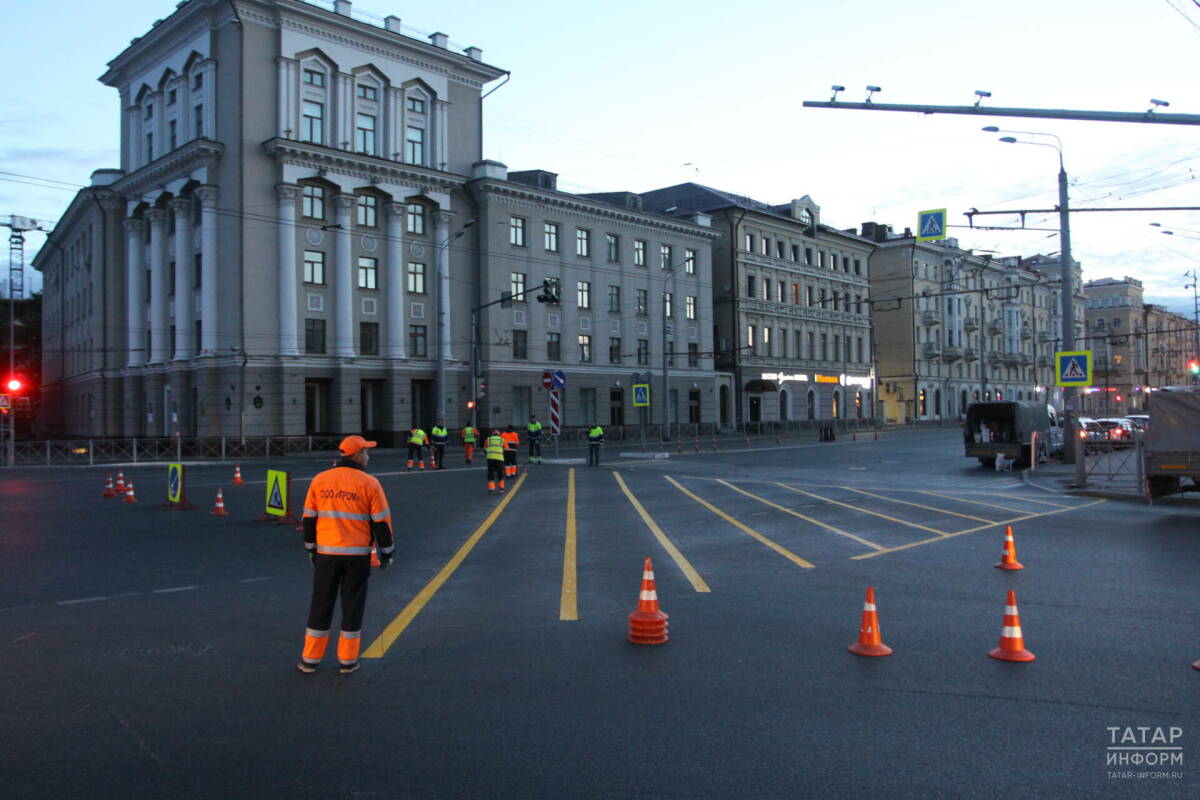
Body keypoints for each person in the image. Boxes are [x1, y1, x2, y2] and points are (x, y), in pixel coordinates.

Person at [298, 435, 393, 675]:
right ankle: (347, 661)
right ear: (357, 455)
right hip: (357, 556)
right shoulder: (369, 483)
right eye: (367, 453)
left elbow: (309, 517)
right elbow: (381, 522)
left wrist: (311, 548)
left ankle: (310, 659)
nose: (369, 457)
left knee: (321, 604)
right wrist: (387, 553)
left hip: (326, 554)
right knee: (352, 606)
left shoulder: (320, 480)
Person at [485, 429, 507, 494]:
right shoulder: (502, 440)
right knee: (500, 473)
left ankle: (491, 489)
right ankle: (501, 489)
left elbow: (485, 449)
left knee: (491, 473)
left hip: (490, 458)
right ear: (499, 434)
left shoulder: (488, 439)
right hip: (499, 459)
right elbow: (506, 449)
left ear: (492, 434)